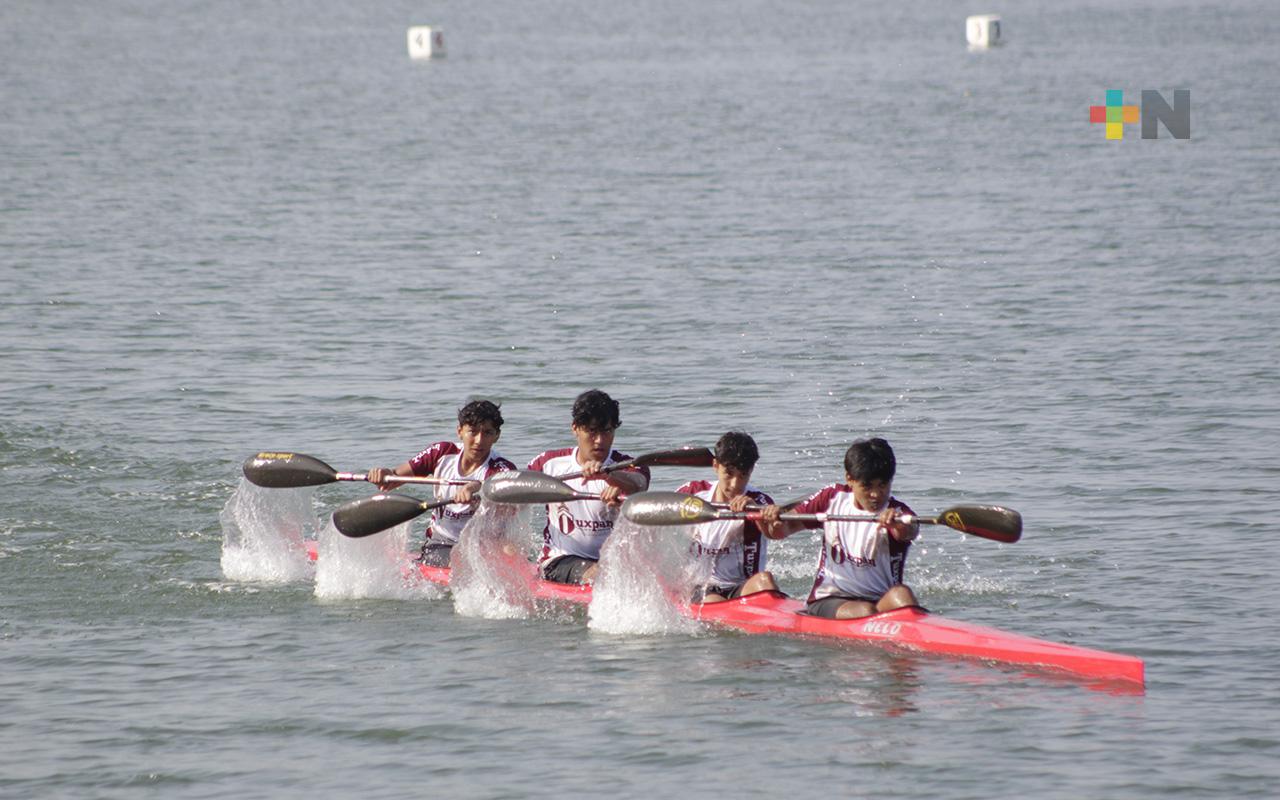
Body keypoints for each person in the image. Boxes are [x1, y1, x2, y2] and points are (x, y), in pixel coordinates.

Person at [759, 437, 919, 619]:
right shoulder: (832, 498)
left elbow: (910, 531)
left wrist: (898, 524)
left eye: (882, 485)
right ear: (849, 479)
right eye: (867, 486)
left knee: (902, 595)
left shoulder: (898, 512)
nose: (875, 494)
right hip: (830, 599)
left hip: (880, 601)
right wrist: (771, 519)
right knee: (865, 611)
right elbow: (780, 531)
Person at [366, 399, 516, 566]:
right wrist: (383, 475)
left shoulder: (503, 468)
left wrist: (475, 489)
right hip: (443, 542)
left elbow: (507, 503)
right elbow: (393, 479)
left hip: (485, 545)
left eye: (487, 433)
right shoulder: (441, 453)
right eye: (472, 432)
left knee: (511, 550)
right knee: (459, 564)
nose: (479, 440)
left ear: (497, 436)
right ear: (460, 431)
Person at [526, 389, 650, 585]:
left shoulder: (630, 466)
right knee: (603, 574)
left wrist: (611, 478)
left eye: (607, 431)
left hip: (613, 562)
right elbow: (517, 489)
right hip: (559, 560)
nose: (600, 440)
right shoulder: (548, 463)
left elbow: (638, 485)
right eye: (592, 431)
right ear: (575, 428)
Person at [676, 431, 784, 602]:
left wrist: (756, 512)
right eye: (729, 473)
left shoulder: (759, 501)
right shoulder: (693, 493)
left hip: (741, 586)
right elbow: (661, 520)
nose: (735, 484)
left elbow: (776, 533)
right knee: (714, 601)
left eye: (743, 475)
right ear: (716, 465)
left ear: (751, 471)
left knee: (766, 581)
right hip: (701, 586)